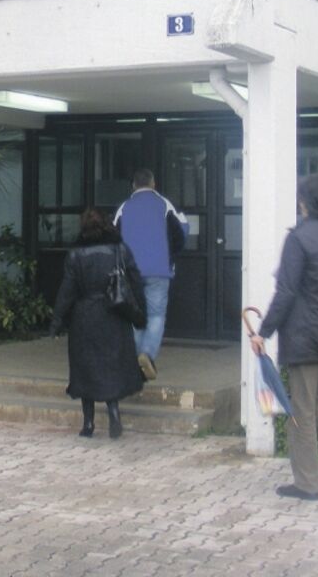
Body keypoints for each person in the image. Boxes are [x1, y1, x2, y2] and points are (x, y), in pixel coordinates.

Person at [251, 173, 318, 501]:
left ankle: (307, 484)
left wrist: (263, 332)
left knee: (301, 410)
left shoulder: (298, 239)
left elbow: (286, 291)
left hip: (305, 337)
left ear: (304, 203)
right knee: (313, 399)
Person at [49, 208, 146, 439]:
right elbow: (135, 281)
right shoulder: (120, 249)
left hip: (85, 316)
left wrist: (57, 320)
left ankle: (88, 424)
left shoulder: (76, 255)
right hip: (115, 314)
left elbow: (66, 292)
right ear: (105, 224)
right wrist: (141, 313)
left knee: (85, 368)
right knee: (111, 366)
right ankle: (113, 412)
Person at [114, 168, 188, 381]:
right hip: (159, 270)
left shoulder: (124, 207)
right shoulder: (165, 204)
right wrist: (170, 255)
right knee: (156, 315)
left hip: (131, 272)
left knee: (136, 316)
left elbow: (112, 237)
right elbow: (182, 232)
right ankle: (147, 354)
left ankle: (135, 359)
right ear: (153, 183)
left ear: (133, 186)